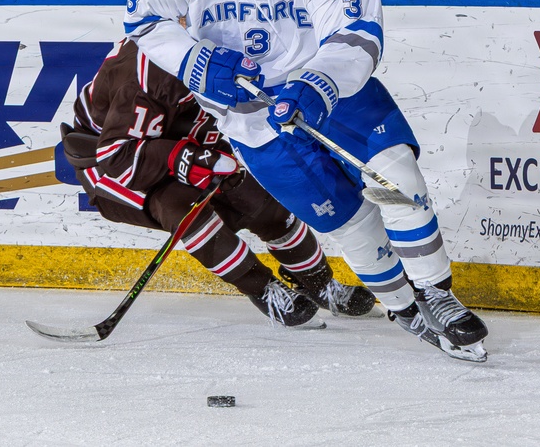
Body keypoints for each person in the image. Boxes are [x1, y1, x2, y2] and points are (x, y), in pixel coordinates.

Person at [122, 0, 488, 362]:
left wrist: (319, 83)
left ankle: (436, 292)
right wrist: (197, 63)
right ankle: (402, 306)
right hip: (249, 118)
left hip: (331, 91)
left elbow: (359, 31)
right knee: (347, 220)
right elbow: (141, 20)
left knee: (397, 176)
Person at [60, 37, 377, 328]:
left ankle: (320, 284)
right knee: (185, 210)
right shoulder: (150, 72)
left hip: (183, 139)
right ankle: (262, 289)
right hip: (112, 161)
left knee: (261, 201)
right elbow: (116, 154)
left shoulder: (230, 37)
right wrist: (186, 158)